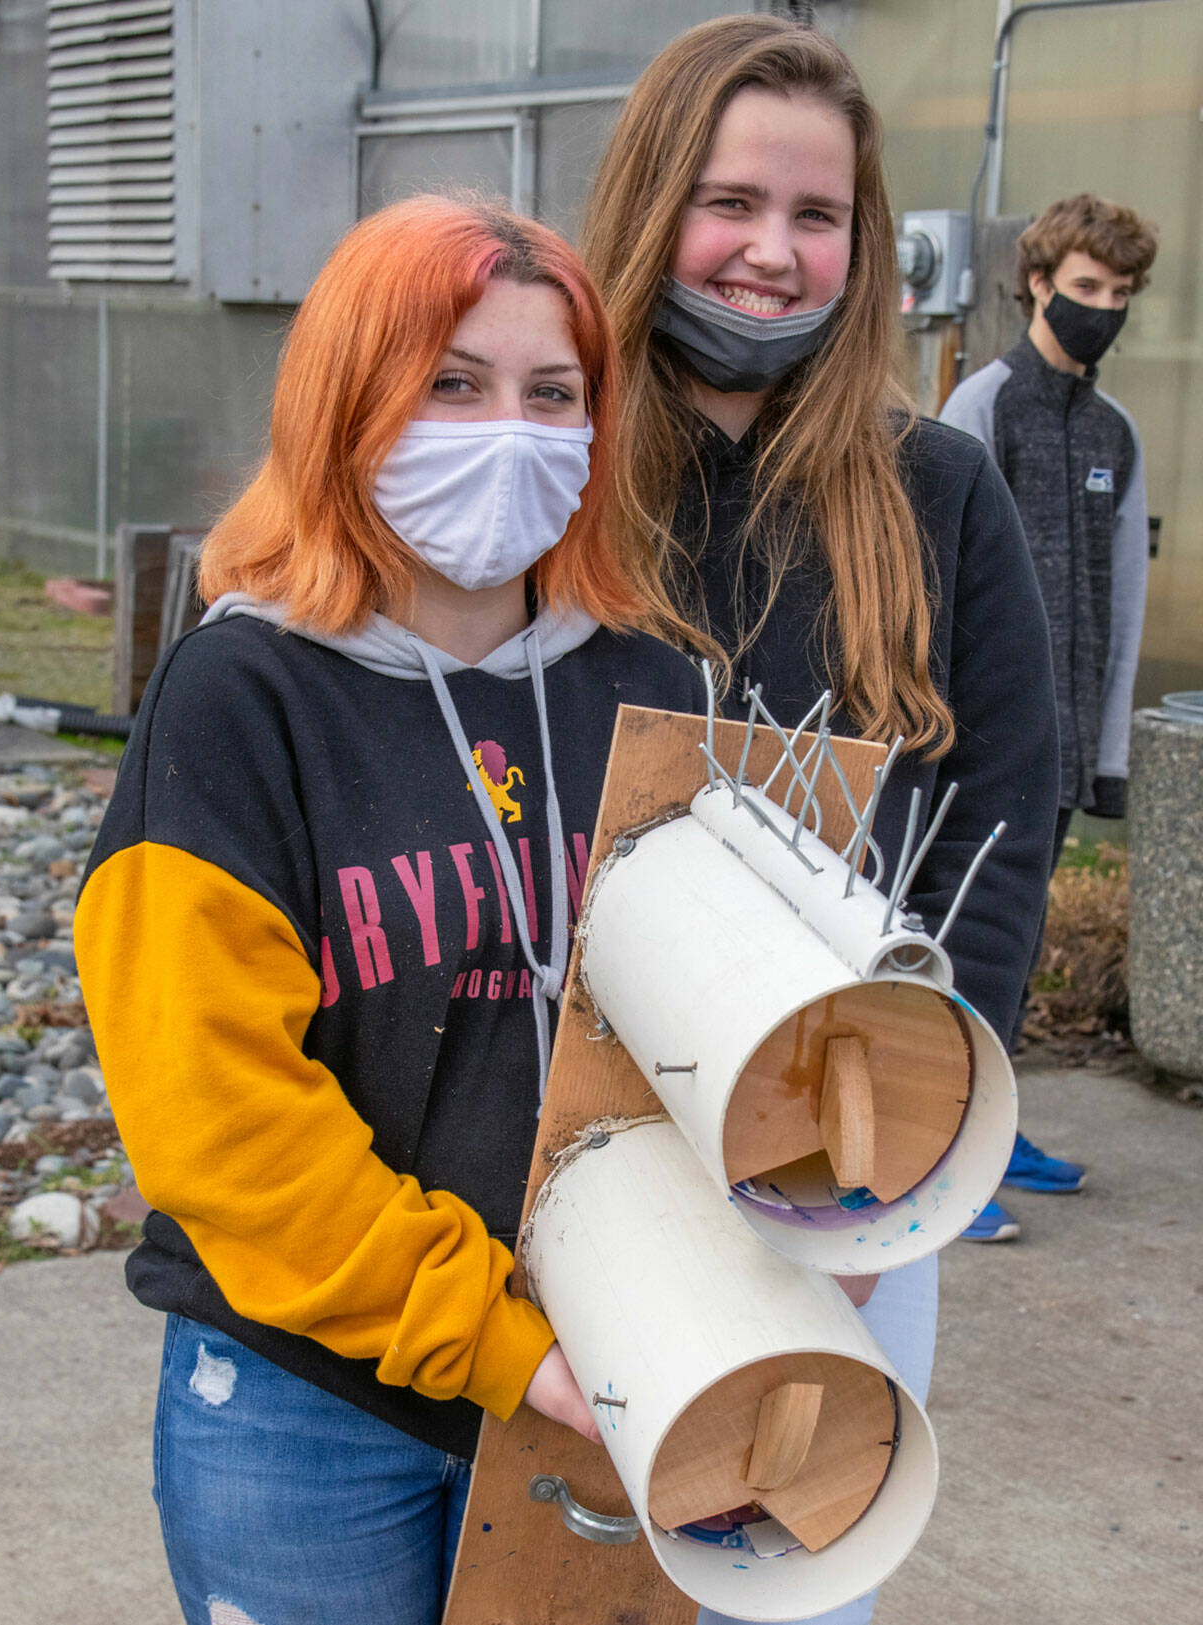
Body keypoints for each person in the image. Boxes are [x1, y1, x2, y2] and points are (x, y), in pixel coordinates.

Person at [74, 196, 705, 1625]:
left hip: (602, 1356)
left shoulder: (654, 693)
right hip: (311, 1403)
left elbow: (714, 1040)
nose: (511, 429)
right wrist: (506, 1345)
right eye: (452, 383)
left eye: (554, 393)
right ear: (349, 398)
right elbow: (224, 1132)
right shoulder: (237, 700)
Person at [582, 16, 1058, 1616]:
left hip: (832, 1159)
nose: (774, 256)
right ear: (651, 206)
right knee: (555, 1564)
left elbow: (1003, 817)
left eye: (819, 216)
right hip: (556, 1139)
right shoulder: (549, 469)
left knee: (783, 1564)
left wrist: (903, 1176)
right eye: (732, 205)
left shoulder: (934, 493)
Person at [939, 194, 1157, 1213]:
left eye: (1117, 295)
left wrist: (1104, 751)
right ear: (1036, 282)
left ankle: (997, 1124)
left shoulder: (1112, 431)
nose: (1099, 309)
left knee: (1016, 947)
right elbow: (928, 587)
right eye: (1082, 289)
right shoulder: (981, 408)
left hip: (1063, 746)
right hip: (975, 744)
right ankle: (941, 1148)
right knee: (957, 941)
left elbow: (1123, 601)